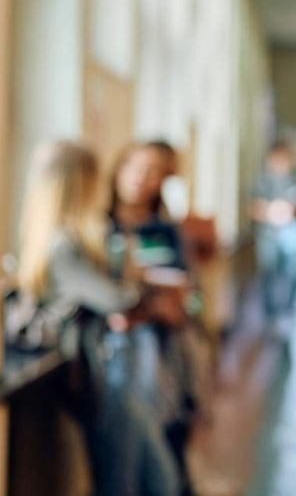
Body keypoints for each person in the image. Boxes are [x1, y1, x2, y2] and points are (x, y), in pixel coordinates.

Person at [14, 140, 180, 496]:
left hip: (108, 364)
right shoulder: (64, 245)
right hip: (103, 369)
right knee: (128, 477)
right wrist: (141, 290)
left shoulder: (75, 239)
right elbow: (117, 298)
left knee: (153, 474)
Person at [107, 141, 198, 493]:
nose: (141, 180)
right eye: (136, 169)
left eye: (152, 174)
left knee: (167, 435)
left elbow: (187, 295)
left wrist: (161, 307)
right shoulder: (104, 227)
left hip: (166, 345)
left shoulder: (166, 230)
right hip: (122, 350)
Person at [249, 141, 296, 325]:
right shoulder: (262, 182)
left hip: (292, 233)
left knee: (295, 271)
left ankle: (289, 307)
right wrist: (271, 212)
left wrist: (291, 210)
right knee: (269, 272)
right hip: (269, 234)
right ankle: (270, 314)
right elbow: (252, 207)